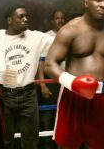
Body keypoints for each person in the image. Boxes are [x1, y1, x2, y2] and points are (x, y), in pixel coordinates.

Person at [44, 0, 104, 148]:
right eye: (98, 0)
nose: (103, 5)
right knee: (67, 146)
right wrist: (74, 82)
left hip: (102, 98)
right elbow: (50, 64)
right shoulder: (70, 29)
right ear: (86, 3)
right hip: (73, 96)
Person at [0, 5, 53, 149]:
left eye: (26, 15)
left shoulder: (35, 37)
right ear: (10, 20)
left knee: (30, 141)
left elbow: (60, 41)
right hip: (5, 95)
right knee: (5, 140)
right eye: (21, 16)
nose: (25, 19)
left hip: (28, 95)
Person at [38, 9, 66, 149]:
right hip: (51, 81)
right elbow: (41, 61)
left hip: (66, 80)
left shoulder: (68, 34)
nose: (60, 20)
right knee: (48, 115)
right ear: (52, 21)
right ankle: (47, 145)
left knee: (64, 114)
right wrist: (43, 84)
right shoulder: (46, 37)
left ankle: (61, 144)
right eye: (57, 18)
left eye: (62, 18)